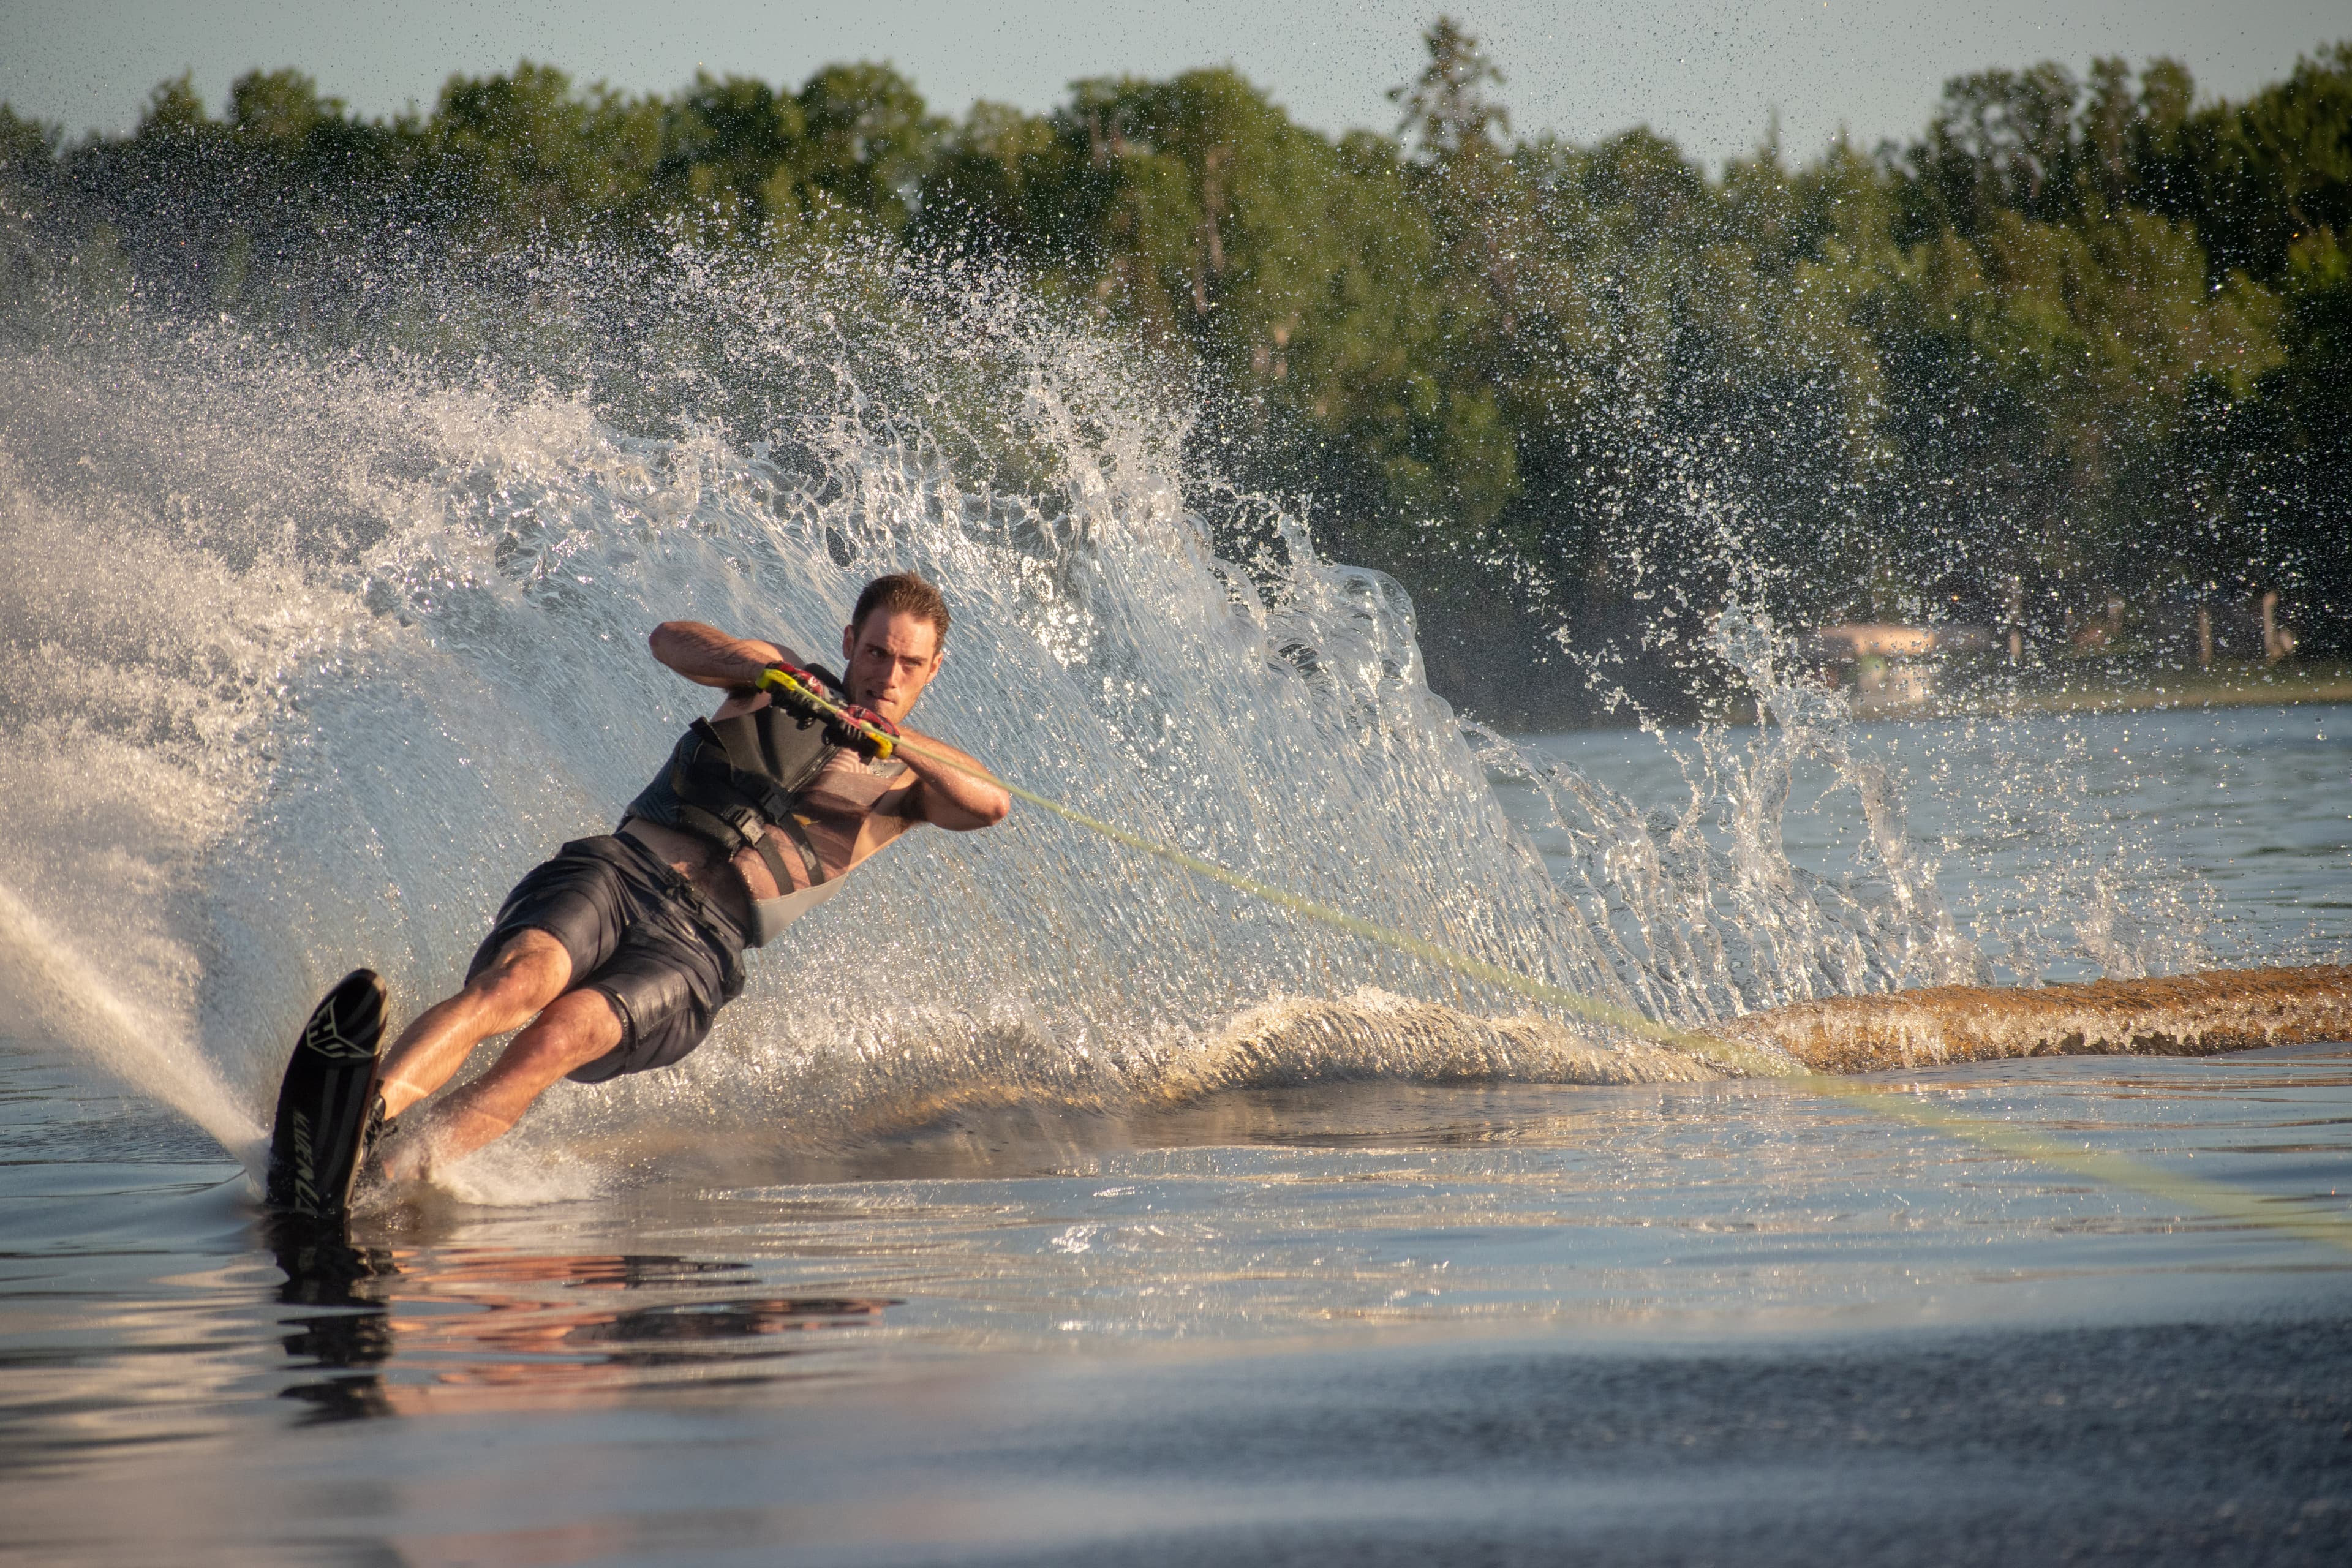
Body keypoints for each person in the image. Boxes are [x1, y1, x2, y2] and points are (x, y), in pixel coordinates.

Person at [369, 571, 1009, 1180]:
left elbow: (991, 802)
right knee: (519, 982)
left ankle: (388, 1173)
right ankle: (366, 1119)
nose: (886, 676)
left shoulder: (910, 785)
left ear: (934, 668)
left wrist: (900, 744)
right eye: (875, 653)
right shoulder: (778, 676)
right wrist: (766, 673)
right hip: (621, 872)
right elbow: (669, 639)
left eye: (909, 663)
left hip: (697, 951)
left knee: (559, 1037)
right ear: (849, 642)